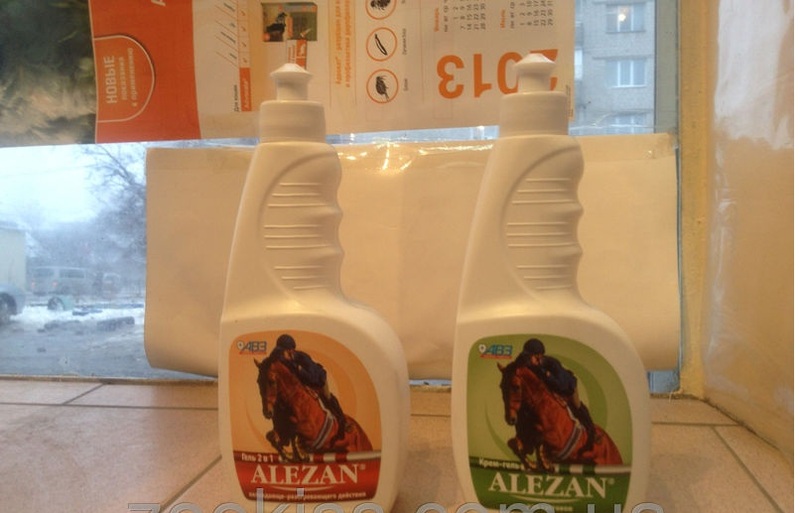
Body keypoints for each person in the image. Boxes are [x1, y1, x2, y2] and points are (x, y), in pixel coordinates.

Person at [517, 338, 596, 450]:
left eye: (529, 357)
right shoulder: (529, 362)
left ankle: (591, 431)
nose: (527, 361)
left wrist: (547, 375)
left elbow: (561, 385)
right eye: (526, 357)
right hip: (549, 389)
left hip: (567, 387)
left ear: (539, 356)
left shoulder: (552, 364)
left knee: (576, 405)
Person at [272, 334, 347, 439]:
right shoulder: (284, 360)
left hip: (317, 380)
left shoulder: (303, 358)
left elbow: (312, 378)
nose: (280, 355)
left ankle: (342, 421)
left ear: (291, 351)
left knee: (327, 397)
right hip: (303, 384)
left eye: (282, 352)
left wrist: (299, 369)